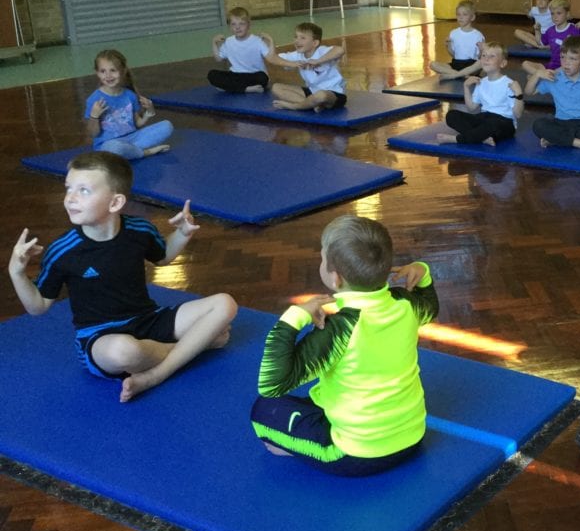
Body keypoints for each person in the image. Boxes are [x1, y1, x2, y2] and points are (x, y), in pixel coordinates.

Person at [8, 151, 237, 403]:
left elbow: (162, 257)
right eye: (68, 188)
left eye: (84, 190)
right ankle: (196, 347)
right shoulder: (63, 250)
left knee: (225, 304)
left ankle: (156, 374)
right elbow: (38, 305)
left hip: (149, 320)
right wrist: (16, 273)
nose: (70, 198)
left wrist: (182, 234)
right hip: (101, 338)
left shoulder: (140, 230)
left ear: (115, 202)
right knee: (124, 351)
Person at [250, 215, 438, 477]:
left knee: (263, 410)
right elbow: (431, 307)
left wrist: (294, 317)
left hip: (354, 455)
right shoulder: (406, 303)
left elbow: (272, 384)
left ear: (335, 278)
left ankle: (301, 448)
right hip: (413, 438)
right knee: (314, 398)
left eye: (322, 257)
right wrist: (422, 272)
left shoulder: (340, 328)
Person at [85, 49, 173, 160]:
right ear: (97, 73)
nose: (108, 75)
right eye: (103, 71)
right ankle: (145, 152)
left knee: (167, 126)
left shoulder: (130, 95)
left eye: (113, 70)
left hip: (133, 139)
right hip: (108, 145)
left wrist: (149, 112)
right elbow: (93, 134)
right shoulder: (94, 99)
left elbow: (137, 124)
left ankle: (130, 152)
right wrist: (94, 116)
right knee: (116, 148)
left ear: (123, 71)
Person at [438, 42, 524, 146]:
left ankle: (457, 139)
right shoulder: (481, 82)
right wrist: (466, 87)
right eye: (484, 55)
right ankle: (483, 138)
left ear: (502, 63)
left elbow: (518, 114)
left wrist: (518, 94)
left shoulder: (509, 84)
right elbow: (471, 108)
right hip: (485, 118)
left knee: (492, 124)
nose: (486, 59)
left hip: (504, 123)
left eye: (492, 56)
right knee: (452, 115)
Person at [265, 22, 347, 112]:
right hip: (312, 91)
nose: (297, 41)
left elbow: (340, 50)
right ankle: (312, 104)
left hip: (333, 93)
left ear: (315, 43)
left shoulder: (322, 51)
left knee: (321, 95)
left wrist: (318, 61)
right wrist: (272, 44)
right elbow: (273, 58)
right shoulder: (297, 55)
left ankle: (295, 106)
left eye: (302, 38)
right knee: (276, 87)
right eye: (296, 37)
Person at [523, 0, 580, 74]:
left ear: (567, 14)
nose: (555, 17)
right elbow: (539, 42)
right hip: (552, 66)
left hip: (568, 68)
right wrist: (537, 31)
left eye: (559, 13)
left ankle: (545, 76)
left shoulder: (574, 29)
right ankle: (545, 75)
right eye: (552, 14)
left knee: (533, 77)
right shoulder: (550, 31)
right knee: (525, 64)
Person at [209, 6, 274, 93]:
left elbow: (271, 58)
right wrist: (214, 43)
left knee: (263, 77)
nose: (237, 27)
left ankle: (231, 87)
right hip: (236, 75)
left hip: (254, 75)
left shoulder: (257, 41)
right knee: (212, 74)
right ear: (229, 27)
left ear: (249, 25)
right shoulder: (229, 42)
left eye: (241, 24)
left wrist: (271, 41)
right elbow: (218, 59)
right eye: (233, 24)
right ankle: (247, 89)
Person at [430, 0, 486, 78]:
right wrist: (448, 46)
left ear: (472, 17)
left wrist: (481, 50)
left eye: (464, 14)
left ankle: (455, 75)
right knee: (433, 64)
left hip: (471, 65)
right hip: (456, 64)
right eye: (458, 14)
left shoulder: (478, 35)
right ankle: (462, 75)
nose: (460, 17)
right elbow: (454, 55)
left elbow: (479, 57)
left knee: (481, 63)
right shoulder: (453, 33)